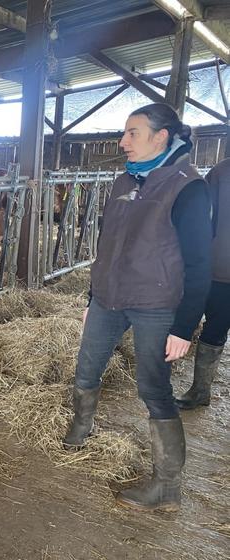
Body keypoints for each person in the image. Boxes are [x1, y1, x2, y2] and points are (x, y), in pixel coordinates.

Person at [62, 103, 213, 512]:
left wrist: (184, 327)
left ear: (160, 136)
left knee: (153, 388)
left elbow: (201, 263)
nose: (122, 141)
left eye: (132, 133)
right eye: (124, 133)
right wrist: (93, 297)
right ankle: (81, 427)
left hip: (155, 304)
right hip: (109, 298)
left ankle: (166, 485)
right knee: (87, 366)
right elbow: (107, 245)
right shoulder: (122, 181)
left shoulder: (188, 187)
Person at [176, 157, 229, 409]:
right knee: (214, 329)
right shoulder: (221, 172)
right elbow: (203, 217)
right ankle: (200, 391)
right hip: (222, 269)